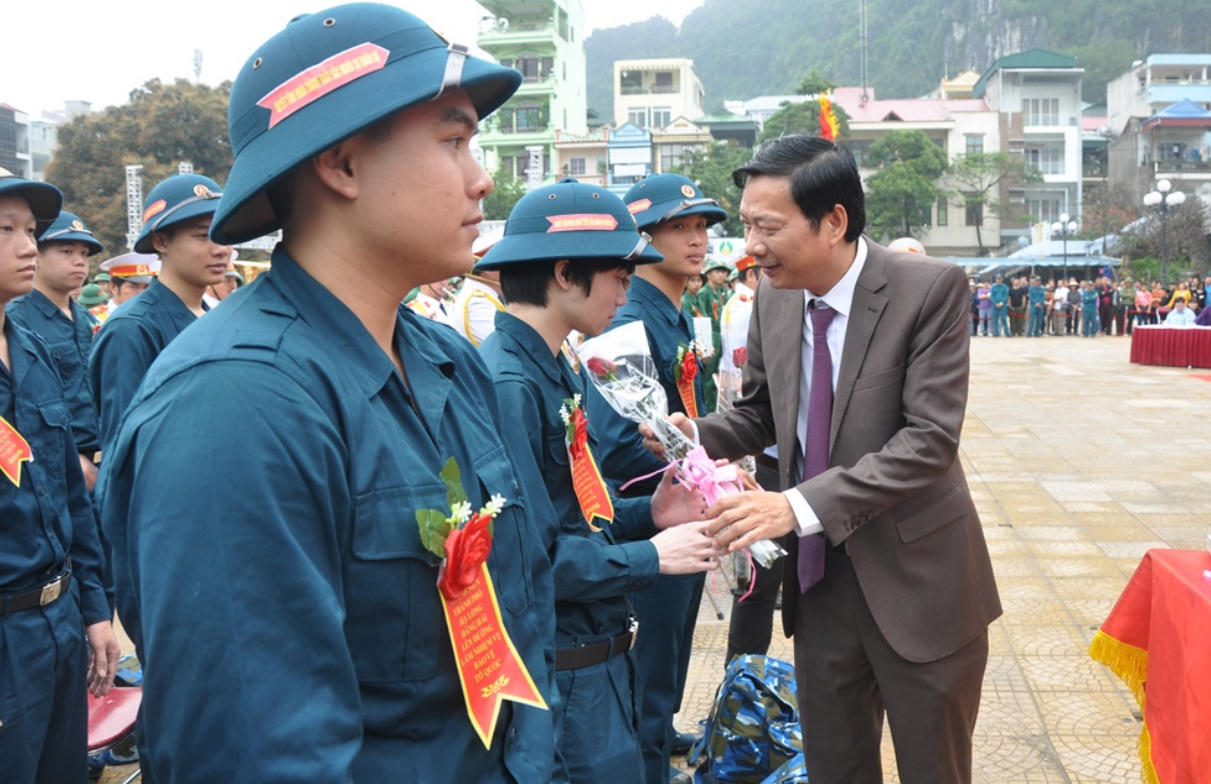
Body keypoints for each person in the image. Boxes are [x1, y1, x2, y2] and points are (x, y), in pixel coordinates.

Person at [97, 5, 562, 781]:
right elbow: (255, 754)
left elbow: (519, 611)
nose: (482, 176)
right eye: (452, 140)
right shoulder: (236, 407)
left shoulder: (445, 357)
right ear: (342, 165)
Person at [643, 136, 1000, 784]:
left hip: (918, 584)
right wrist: (692, 433)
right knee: (835, 767)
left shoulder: (928, 290)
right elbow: (761, 412)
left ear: (833, 220)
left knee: (934, 769)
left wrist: (792, 505)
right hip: (821, 587)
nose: (751, 245)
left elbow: (927, 440)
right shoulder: (773, 297)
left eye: (767, 227)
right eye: (748, 225)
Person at [476, 177, 722, 783]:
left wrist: (649, 515)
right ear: (564, 273)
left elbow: (576, 509)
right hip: (563, 668)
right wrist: (651, 557)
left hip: (599, 655)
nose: (627, 287)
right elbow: (528, 560)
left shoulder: (557, 365)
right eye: (618, 271)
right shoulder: (511, 383)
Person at [585, 172, 726, 784]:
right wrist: (692, 474)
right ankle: (647, 761)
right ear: (642, 239)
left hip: (684, 505)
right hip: (652, 512)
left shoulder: (675, 311)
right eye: (679, 228)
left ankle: (660, 729)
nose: (697, 241)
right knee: (652, 654)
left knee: (673, 645)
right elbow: (618, 443)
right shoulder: (627, 322)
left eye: (701, 227)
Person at [0, 171, 118, 783]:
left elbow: (69, 500)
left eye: (29, 230)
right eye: (5, 230)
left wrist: (93, 610)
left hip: (59, 621)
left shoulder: (31, 350)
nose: (26, 246)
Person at [88, 174, 231, 453]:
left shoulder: (219, 318)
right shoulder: (131, 329)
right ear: (161, 242)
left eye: (224, 235)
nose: (221, 250)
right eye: (204, 235)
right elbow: (127, 446)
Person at [7, 210, 103, 488]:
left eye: (84, 254)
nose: (79, 262)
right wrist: (71, 460)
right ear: (36, 254)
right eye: (66, 251)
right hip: (54, 465)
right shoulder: (17, 320)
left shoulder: (89, 320)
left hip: (103, 460)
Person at [98, 252, 159, 317]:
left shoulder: (152, 316)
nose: (142, 293)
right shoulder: (97, 319)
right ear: (113, 287)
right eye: (133, 287)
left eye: (146, 287)